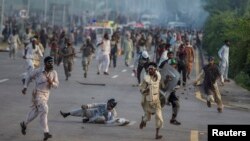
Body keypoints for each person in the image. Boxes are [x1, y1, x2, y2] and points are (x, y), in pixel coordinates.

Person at [20, 56, 59, 141]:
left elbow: (56, 85)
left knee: (35, 112)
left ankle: (24, 123)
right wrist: (25, 87)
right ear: (45, 63)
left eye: (52, 62)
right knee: (44, 109)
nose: (51, 64)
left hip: (46, 95)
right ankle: (46, 132)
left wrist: (51, 82)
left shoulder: (54, 73)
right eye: (49, 62)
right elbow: (29, 76)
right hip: (37, 94)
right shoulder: (38, 71)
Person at [139, 62, 164, 140]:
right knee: (148, 118)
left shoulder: (159, 76)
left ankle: (157, 134)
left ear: (155, 70)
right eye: (149, 69)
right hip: (148, 102)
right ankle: (143, 120)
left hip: (156, 101)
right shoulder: (146, 79)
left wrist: (167, 80)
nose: (150, 70)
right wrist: (146, 90)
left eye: (151, 69)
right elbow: (141, 89)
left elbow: (163, 85)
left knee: (159, 117)